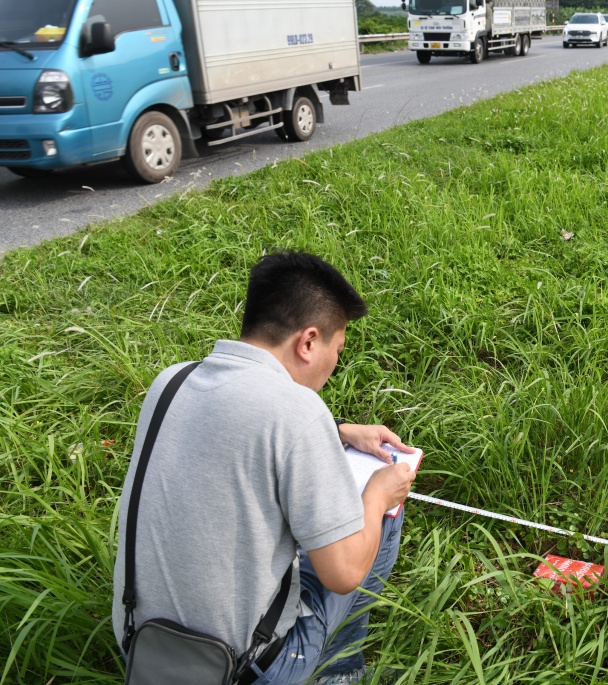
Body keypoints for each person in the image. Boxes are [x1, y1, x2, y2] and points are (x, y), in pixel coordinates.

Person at [111, 251, 417, 685]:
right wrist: (377, 496)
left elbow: (236, 422)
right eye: (338, 349)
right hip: (242, 669)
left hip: (141, 645)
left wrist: (340, 429)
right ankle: (341, 672)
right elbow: (344, 574)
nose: (334, 365)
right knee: (378, 518)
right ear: (308, 342)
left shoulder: (171, 381)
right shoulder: (299, 412)